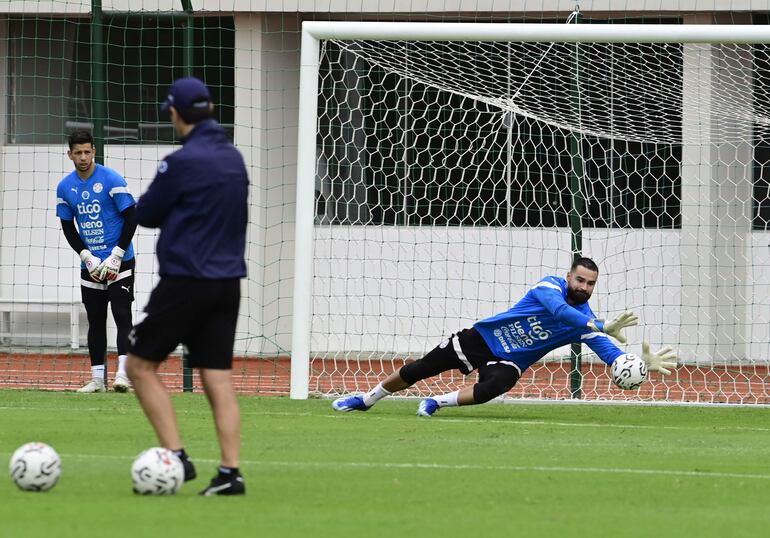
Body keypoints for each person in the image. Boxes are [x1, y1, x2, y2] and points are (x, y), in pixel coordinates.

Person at [332, 257, 678, 416]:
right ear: (568, 277)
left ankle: (436, 403)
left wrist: (633, 364)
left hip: (511, 359)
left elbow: (607, 351)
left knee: (493, 388)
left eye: (590, 284)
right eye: (580, 280)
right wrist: (598, 325)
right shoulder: (549, 286)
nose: (584, 287)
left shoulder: (585, 321)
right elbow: (559, 312)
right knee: (418, 369)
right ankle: (367, 399)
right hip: (482, 338)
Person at [126, 77, 249, 496]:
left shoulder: (179, 162)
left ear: (176, 113)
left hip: (185, 281)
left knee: (138, 366)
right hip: (228, 282)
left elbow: (147, 213)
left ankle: (175, 457)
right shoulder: (235, 159)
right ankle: (231, 473)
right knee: (217, 376)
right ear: (210, 108)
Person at [56, 130, 137, 393]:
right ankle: (97, 380)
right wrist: (86, 256)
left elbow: (132, 216)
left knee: (123, 315)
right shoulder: (65, 187)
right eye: (77, 152)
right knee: (95, 319)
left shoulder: (111, 178)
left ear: (94, 151)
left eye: (87, 151)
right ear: (70, 154)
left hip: (120, 261)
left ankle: (124, 376)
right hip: (90, 266)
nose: (83, 157)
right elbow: (69, 228)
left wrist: (117, 254)